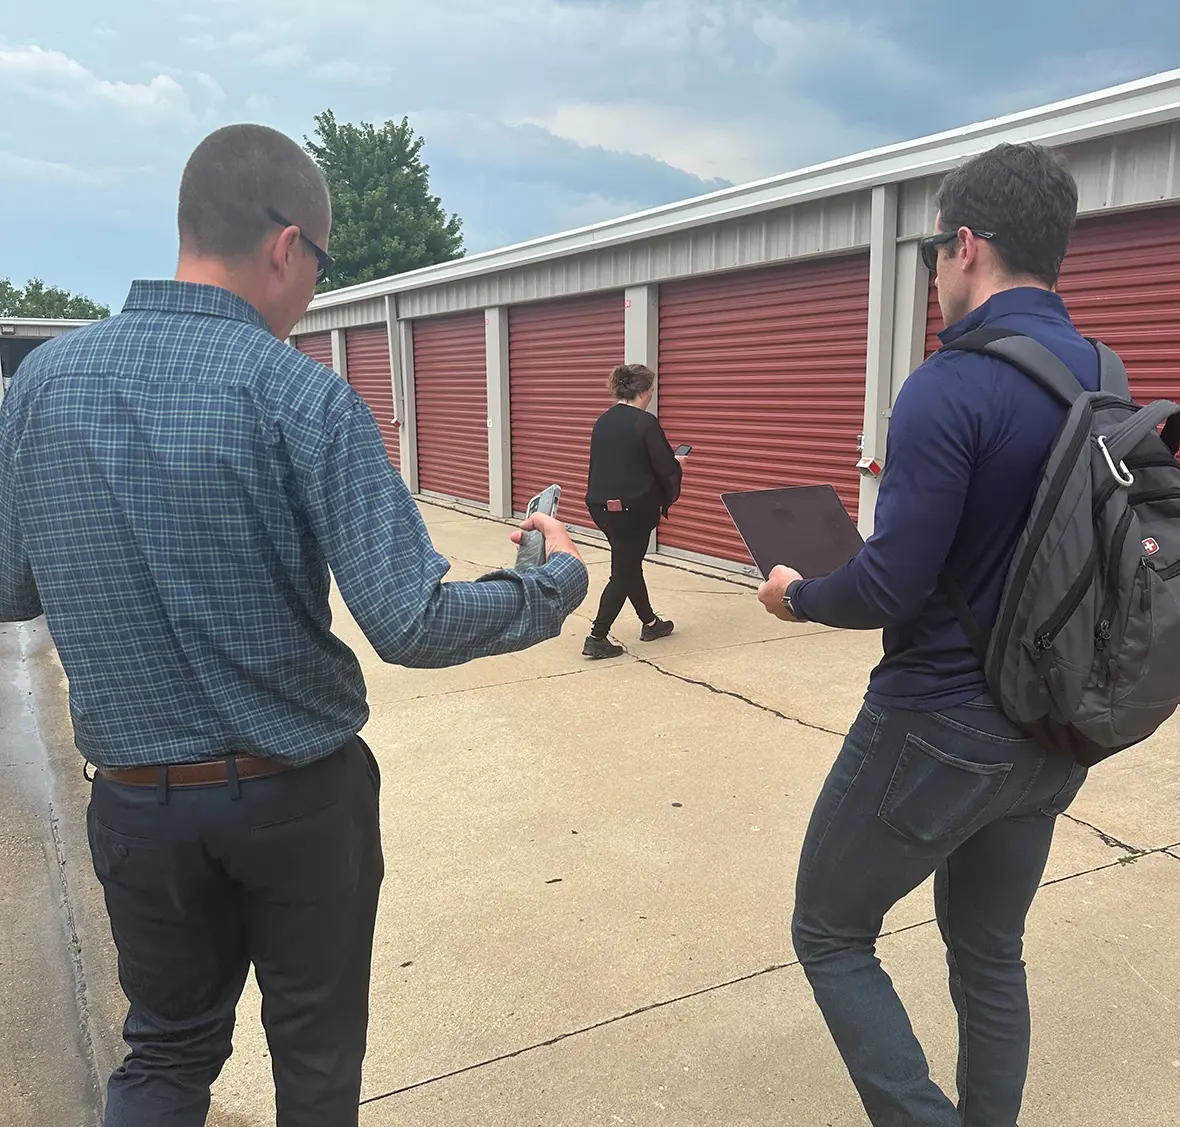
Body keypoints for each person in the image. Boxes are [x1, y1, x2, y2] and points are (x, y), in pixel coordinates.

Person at [0, 124, 587, 1127]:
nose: (314, 287)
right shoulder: (300, 393)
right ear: (286, 245)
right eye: (320, 263)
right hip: (297, 800)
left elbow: (13, 591)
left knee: (165, 1056)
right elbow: (412, 620)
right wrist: (553, 581)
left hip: (139, 807)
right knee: (315, 1061)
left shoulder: (42, 385)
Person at [757, 142, 1092, 1126]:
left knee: (829, 927)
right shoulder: (1100, 373)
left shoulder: (948, 386)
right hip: (1055, 725)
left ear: (967, 245)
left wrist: (800, 592)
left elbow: (892, 585)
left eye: (934, 256)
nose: (935, 276)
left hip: (941, 719)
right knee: (990, 949)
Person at [583, 363, 684, 659]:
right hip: (632, 510)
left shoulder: (602, 421)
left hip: (601, 507)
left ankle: (650, 623)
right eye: (651, 391)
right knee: (623, 572)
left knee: (628, 564)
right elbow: (665, 467)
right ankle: (596, 637)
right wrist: (678, 465)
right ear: (643, 392)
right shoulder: (644, 423)